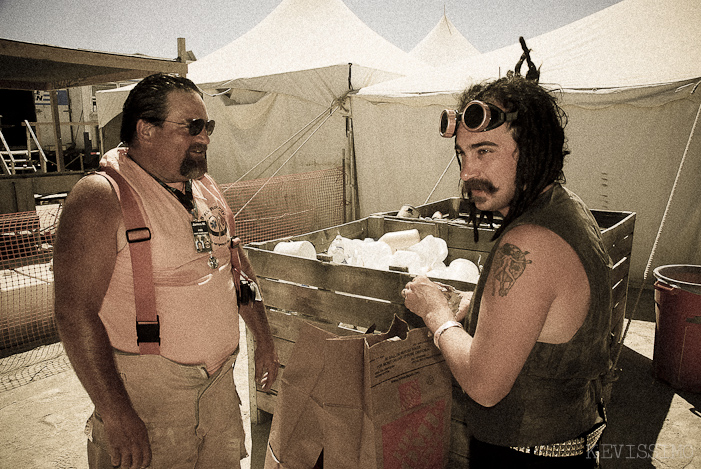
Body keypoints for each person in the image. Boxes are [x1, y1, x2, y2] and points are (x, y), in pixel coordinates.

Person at [54, 73, 279, 469]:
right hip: (148, 398)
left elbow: (235, 268)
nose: (204, 137)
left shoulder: (205, 187)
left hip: (218, 391)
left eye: (207, 126)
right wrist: (117, 415)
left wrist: (264, 339)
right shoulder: (101, 197)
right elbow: (73, 313)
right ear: (146, 129)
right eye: (192, 126)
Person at [402, 75, 612, 468]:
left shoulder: (527, 242)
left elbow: (483, 385)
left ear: (531, 148)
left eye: (485, 151)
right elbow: (546, 315)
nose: (467, 173)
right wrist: (476, 301)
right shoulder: (565, 207)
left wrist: (437, 314)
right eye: (463, 154)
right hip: (571, 440)